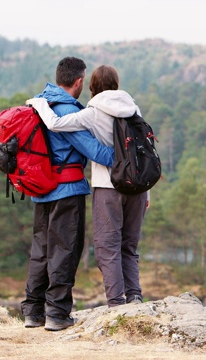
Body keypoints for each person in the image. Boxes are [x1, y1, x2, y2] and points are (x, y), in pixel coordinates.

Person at [27, 65, 148, 308]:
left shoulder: (92, 112)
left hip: (108, 187)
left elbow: (55, 124)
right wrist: (148, 192)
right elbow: (142, 152)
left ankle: (116, 303)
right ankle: (134, 296)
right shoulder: (134, 108)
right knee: (129, 246)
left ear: (89, 85)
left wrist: (39, 103)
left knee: (107, 247)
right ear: (116, 83)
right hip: (138, 187)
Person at [21, 57, 115, 331]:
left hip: (41, 189)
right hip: (67, 190)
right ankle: (58, 314)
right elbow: (94, 151)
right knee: (65, 250)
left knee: (41, 251)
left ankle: (32, 311)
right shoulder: (66, 111)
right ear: (79, 81)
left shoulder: (40, 104)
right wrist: (127, 160)